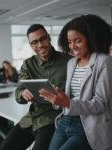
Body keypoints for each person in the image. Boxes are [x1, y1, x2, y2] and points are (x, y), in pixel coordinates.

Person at [39, 14, 112, 150]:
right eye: (69, 42)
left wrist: (68, 102)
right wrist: (57, 98)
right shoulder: (72, 63)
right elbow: (70, 97)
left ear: (90, 39)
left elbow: (100, 104)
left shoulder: (104, 61)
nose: (73, 46)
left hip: (88, 125)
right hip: (65, 120)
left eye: (78, 41)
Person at [0, 24, 71, 150]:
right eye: (34, 42)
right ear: (31, 45)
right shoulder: (28, 64)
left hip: (54, 118)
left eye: (43, 39)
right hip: (31, 118)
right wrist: (23, 93)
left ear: (49, 37)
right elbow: (18, 92)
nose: (40, 45)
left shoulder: (68, 61)